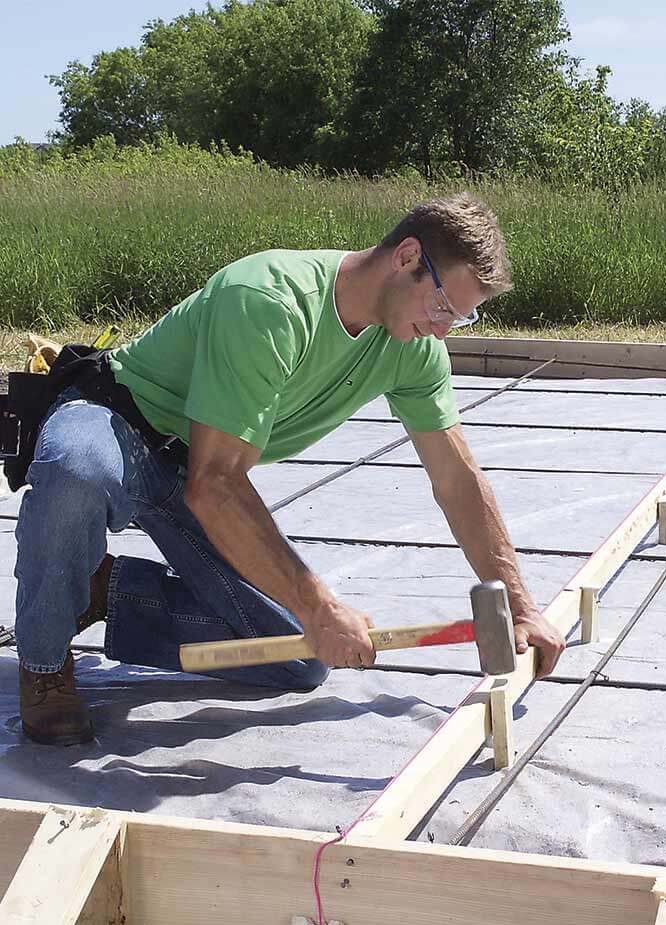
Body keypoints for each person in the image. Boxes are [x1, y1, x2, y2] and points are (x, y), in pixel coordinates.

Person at [14, 193, 564, 746]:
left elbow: (457, 480)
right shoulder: (270, 301)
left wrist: (521, 605)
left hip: (191, 463)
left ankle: (95, 590)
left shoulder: (413, 350)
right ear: (406, 257)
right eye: (444, 308)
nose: (444, 330)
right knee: (74, 469)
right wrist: (320, 606)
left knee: (295, 658)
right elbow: (217, 484)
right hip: (119, 419)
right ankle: (43, 661)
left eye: (462, 318)